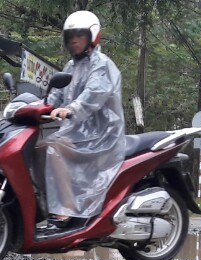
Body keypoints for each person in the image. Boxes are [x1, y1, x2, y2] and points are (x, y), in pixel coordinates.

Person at [39, 10, 126, 231]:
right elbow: (55, 96)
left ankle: (67, 209)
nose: (74, 40)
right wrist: (36, 106)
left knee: (53, 147)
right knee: (38, 147)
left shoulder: (102, 65)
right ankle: (46, 205)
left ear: (92, 36)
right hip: (78, 133)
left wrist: (70, 109)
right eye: (70, 36)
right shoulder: (71, 67)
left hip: (101, 135)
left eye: (79, 35)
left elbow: (93, 95)